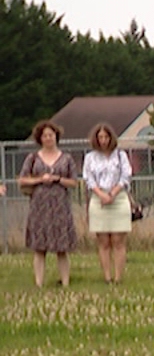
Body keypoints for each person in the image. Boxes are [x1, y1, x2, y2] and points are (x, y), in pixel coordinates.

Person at [20, 120, 78, 288]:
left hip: (60, 205)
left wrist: (58, 179)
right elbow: (22, 179)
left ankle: (65, 282)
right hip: (39, 206)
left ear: (56, 136)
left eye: (51, 135)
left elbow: (74, 182)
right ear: (40, 138)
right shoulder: (32, 158)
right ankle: (39, 283)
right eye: (44, 135)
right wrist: (40, 179)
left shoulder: (66, 158)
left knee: (62, 248)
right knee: (39, 248)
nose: (48, 138)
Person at [82, 124, 135, 284]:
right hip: (99, 198)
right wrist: (101, 195)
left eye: (106, 137)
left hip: (118, 198)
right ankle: (107, 277)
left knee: (118, 241)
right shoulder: (90, 157)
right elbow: (88, 178)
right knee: (103, 241)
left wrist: (112, 194)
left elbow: (126, 176)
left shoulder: (120, 155)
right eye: (100, 137)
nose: (103, 141)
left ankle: (118, 277)